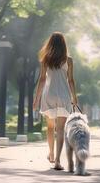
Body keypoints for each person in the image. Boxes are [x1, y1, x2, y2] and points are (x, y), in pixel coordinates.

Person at [33, 32, 77, 170]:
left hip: (49, 95)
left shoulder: (45, 59)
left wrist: (36, 98)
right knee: (61, 129)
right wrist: (74, 97)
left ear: (50, 44)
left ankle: (51, 154)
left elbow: (42, 79)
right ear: (63, 44)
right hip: (63, 96)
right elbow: (70, 80)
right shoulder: (68, 60)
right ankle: (58, 161)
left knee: (50, 127)